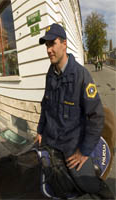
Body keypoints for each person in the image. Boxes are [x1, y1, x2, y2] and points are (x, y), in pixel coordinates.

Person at [36, 23, 113, 198]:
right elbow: (45, 104)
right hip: (49, 140)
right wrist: (40, 130)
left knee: (88, 183)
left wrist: (83, 151)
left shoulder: (81, 75)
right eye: (47, 45)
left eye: (52, 43)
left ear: (64, 44)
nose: (48, 50)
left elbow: (96, 117)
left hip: (71, 146)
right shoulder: (50, 73)